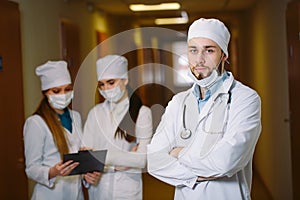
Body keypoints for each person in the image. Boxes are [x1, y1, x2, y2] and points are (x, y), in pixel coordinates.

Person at [147, 18, 261, 200]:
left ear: (224, 55)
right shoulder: (178, 102)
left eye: (209, 50)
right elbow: (154, 161)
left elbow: (226, 161)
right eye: (193, 50)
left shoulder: (245, 99)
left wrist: (179, 152)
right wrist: (198, 174)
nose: (199, 59)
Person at [23, 61, 100, 200]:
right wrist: (53, 172)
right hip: (50, 195)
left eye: (67, 89)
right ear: (45, 93)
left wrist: (86, 174)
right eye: (56, 91)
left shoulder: (75, 116)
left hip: (76, 194)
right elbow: (31, 168)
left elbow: (76, 156)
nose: (63, 95)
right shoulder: (36, 123)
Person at [82, 55, 153, 200]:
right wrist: (88, 173)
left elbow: (141, 160)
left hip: (126, 190)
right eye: (101, 84)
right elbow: (86, 157)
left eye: (111, 82)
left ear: (125, 80)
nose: (106, 89)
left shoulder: (142, 113)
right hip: (98, 190)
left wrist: (100, 158)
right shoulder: (95, 113)